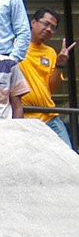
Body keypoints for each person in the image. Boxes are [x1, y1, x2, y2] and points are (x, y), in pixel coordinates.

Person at [20, 8, 75, 146]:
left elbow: (52, 88)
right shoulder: (16, 46)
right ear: (33, 22)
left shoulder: (50, 52)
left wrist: (59, 65)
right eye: (46, 24)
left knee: (68, 153)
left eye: (53, 27)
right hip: (25, 116)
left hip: (49, 115)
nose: (49, 29)